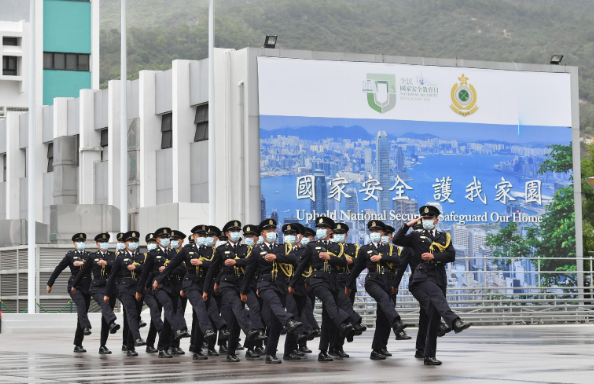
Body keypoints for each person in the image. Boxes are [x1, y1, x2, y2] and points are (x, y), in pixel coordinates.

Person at [393, 205, 472, 366]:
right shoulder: (415, 235)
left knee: (434, 318)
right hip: (423, 276)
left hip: (439, 277)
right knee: (436, 297)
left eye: (430, 218)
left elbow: (451, 255)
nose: (427, 220)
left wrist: (433, 256)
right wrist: (408, 224)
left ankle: (429, 355)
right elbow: (397, 239)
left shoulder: (444, 236)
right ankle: (454, 321)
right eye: (425, 218)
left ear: (436, 220)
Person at [289, 217, 362, 362]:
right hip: (317, 279)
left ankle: (324, 351)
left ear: (330, 230)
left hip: (333, 281)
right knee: (329, 302)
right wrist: (292, 284)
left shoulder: (337, 247)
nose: (320, 230)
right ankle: (347, 322)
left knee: (329, 318)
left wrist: (330, 257)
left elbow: (343, 262)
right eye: (319, 227)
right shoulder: (312, 246)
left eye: (323, 228)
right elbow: (302, 266)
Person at [241, 218, 302, 364]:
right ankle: (289, 320)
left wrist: (277, 257)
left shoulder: (282, 248)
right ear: (262, 234)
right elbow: (249, 272)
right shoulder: (257, 251)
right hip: (265, 284)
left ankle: (270, 354)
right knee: (275, 303)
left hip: (281, 284)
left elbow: (294, 259)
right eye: (269, 231)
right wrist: (243, 291)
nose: (272, 233)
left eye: (273, 230)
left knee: (275, 324)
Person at [155, 225, 219, 361]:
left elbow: (216, 265)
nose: (202, 238)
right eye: (199, 235)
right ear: (194, 237)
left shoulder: (210, 251)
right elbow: (172, 265)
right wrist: (158, 279)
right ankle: (163, 347)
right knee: (172, 316)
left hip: (202, 285)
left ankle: (196, 349)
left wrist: (202, 263)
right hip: (184, 286)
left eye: (204, 236)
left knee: (199, 316)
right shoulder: (186, 250)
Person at [205, 220, 266, 362]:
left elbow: (252, 263)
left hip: (244, 284)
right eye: (233, 231)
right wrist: (207, 289)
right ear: (227, 234)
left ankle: (254, 334)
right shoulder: (221, 250)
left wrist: (236, 262)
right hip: (228, 285)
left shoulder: (246, 248)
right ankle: (250, 331)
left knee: (251, 310)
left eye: (238, 231)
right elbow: (213, 270)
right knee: (238, 308)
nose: (236, 233)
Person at [347, 220, 407, 360]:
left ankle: (379, 348)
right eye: (372, 231)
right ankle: (398, 324)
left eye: (378, 232)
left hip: (389, 282)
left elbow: (399, 261)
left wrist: (382, 257)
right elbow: (357, 269)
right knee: (384, 300)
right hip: (373, 281)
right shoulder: (365, 249)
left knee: (384, 315)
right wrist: (348, 285)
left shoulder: (392, 249)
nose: (375, 234)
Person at [137, 227, 189, 358]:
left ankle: (163, 347)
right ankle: (178, 328)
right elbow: (145, 273)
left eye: (168, 238)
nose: (166, 240)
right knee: (168, 306)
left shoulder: (174, 253)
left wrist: (167, 269)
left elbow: (182, 268)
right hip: (159, 286)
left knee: (167, 319)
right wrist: (140, 290)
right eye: (163, 238)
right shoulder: (152, 254)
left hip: (173, 287)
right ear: (157, 240)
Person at [72, 233, 120, 354]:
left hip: (110, 287)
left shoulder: (113, 256)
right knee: (105, 305)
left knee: (105, 317)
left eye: (106, 242)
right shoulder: (92, 256)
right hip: (97, 287)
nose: (104, 244)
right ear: (97, 244)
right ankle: (112, 321)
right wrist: (74, 285)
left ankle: (103, 345)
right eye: (101, 242)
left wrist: (107, 264)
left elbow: (118, 267)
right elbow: (83, 271)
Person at [47, 233, 93, 353]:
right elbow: (59, 268)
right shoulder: (70, 255)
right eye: (78, 241)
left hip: (87, 286)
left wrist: (83, 263)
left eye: (83, 241)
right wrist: (50, 283)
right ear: (74, 244)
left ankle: (78, 344)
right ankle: (87, 326)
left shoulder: (89, 255)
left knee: (82, 314)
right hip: (74, 286)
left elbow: (95, 266)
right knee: (81, 305)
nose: (81, 243)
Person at [105, 231, 147, 356]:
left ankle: (130, 347)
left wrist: (137, 267)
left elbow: (146, 270)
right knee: (132, 314)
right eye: (130, 241)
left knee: (134, 316)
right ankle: (137, 338)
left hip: (138, 289)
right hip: (125, 289)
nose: (133, 243)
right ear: (126, 243)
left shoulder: (142, 257)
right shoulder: (120, 258)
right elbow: (112, 277)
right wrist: (107, 293)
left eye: (135, 241)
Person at [328, 222, 358, 358]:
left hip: (348, 282)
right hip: (334, 282)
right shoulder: (329, 247)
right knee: (336, 316)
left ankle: (338, 346)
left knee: (345, 314)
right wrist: (345, 260)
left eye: (341, 234)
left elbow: (359, 261)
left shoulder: (353, 247)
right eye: (336, 234)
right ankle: (332, 346)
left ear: (346, 235)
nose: (338, 236)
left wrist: (351, 260)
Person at [143, 233, 163, 354]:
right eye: (149, 243)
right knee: (155, 312)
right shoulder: (144, 256)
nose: (152, 245)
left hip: (157, 289)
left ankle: (150, 344)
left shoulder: (158, 255)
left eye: (153, 243)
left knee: (155, 316)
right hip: (145, 289)